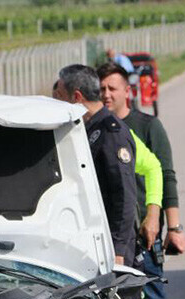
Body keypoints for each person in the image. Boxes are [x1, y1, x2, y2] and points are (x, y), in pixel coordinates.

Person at [98, 62, 185, 299]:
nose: (106, 94)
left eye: (112, 88)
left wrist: (173, 226)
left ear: (127, 91)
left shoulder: (148, 126)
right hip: (112, 233)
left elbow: (165, 174)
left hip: (145, 232)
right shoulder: (97, 128)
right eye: (102, 88)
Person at [53, 64, 137, 266]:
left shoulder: (111, 133)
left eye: (60, 95)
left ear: (77, 97)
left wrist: (118, 250)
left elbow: (124, 195)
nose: (56, 102)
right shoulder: (87, 128)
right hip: (93, 240)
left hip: (112, 246)